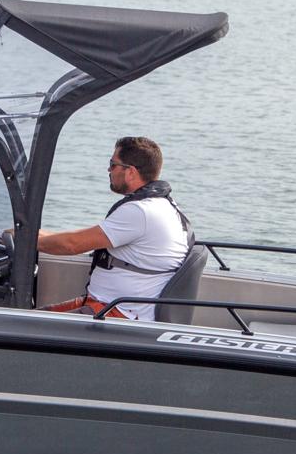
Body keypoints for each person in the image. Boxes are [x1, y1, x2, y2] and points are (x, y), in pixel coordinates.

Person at [36, 136, 191, 321]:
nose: (108, 170)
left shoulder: (140, 211)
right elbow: (78, 237)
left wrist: (25, 241)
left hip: (117, 315)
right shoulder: (163, 205)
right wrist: (31, 234)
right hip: (104, 306)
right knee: (26, 319)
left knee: (24, 327)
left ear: (131, 172)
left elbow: (71, 245)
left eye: (113, 164)